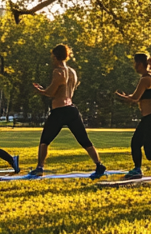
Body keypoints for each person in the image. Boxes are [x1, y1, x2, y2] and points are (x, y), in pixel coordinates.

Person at [28, 44, 107, 178]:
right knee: (84, 140)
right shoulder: (72, 72)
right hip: (71, 109)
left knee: (45, 140)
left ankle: (40, 167)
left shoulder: (58, 72)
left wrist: (40, 90)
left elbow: (52, 92)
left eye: (52, 56)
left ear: (55, 56)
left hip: (59, 111)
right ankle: (99, 164)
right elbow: (70, 89)